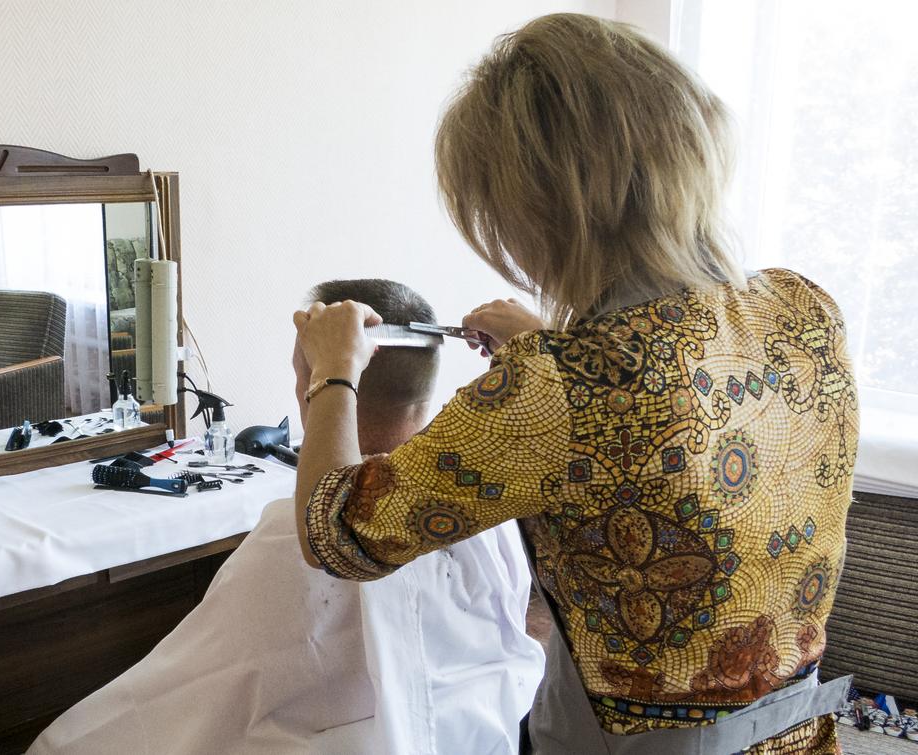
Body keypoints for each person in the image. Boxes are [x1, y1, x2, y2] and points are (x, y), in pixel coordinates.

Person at [295, 14, 856, 755]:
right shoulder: (803, 307)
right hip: (796, 729)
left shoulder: (556, 389)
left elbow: (334, 534)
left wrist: (331, 372)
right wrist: (555, 350)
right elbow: (679, 420)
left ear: (541, 208)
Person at [30, 280, 544, 755]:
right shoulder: (487, 495)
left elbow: (197, 692)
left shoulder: (300, 532)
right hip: (472, 732)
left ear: (314, 380)